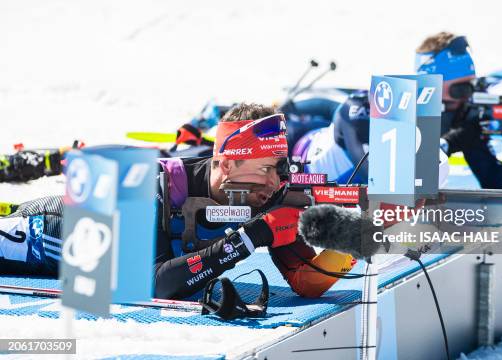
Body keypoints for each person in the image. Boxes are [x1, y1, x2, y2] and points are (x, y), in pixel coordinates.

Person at [0, 103, 355, 301]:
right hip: (41, 236)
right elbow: (154, 286)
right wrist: (249, 238)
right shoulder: (155, 183)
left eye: (279, 168)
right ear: (229, 164)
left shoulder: (267, 192)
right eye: (266, 169)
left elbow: (307, 281)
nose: (276, 182)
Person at [415, 32, 502, 189]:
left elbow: (496, 181)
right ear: (430, 85)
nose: (468, 96)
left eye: (472, 86)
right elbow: (406, 175)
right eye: (460, 89)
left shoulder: (468, 119)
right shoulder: (402, 115)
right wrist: (450, 142)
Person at [292, 91, 450, 188]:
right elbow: (338, 108)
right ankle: (290, 108)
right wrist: (291, 107)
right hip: (301, 149)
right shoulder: (357, 116)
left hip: (319, 146)